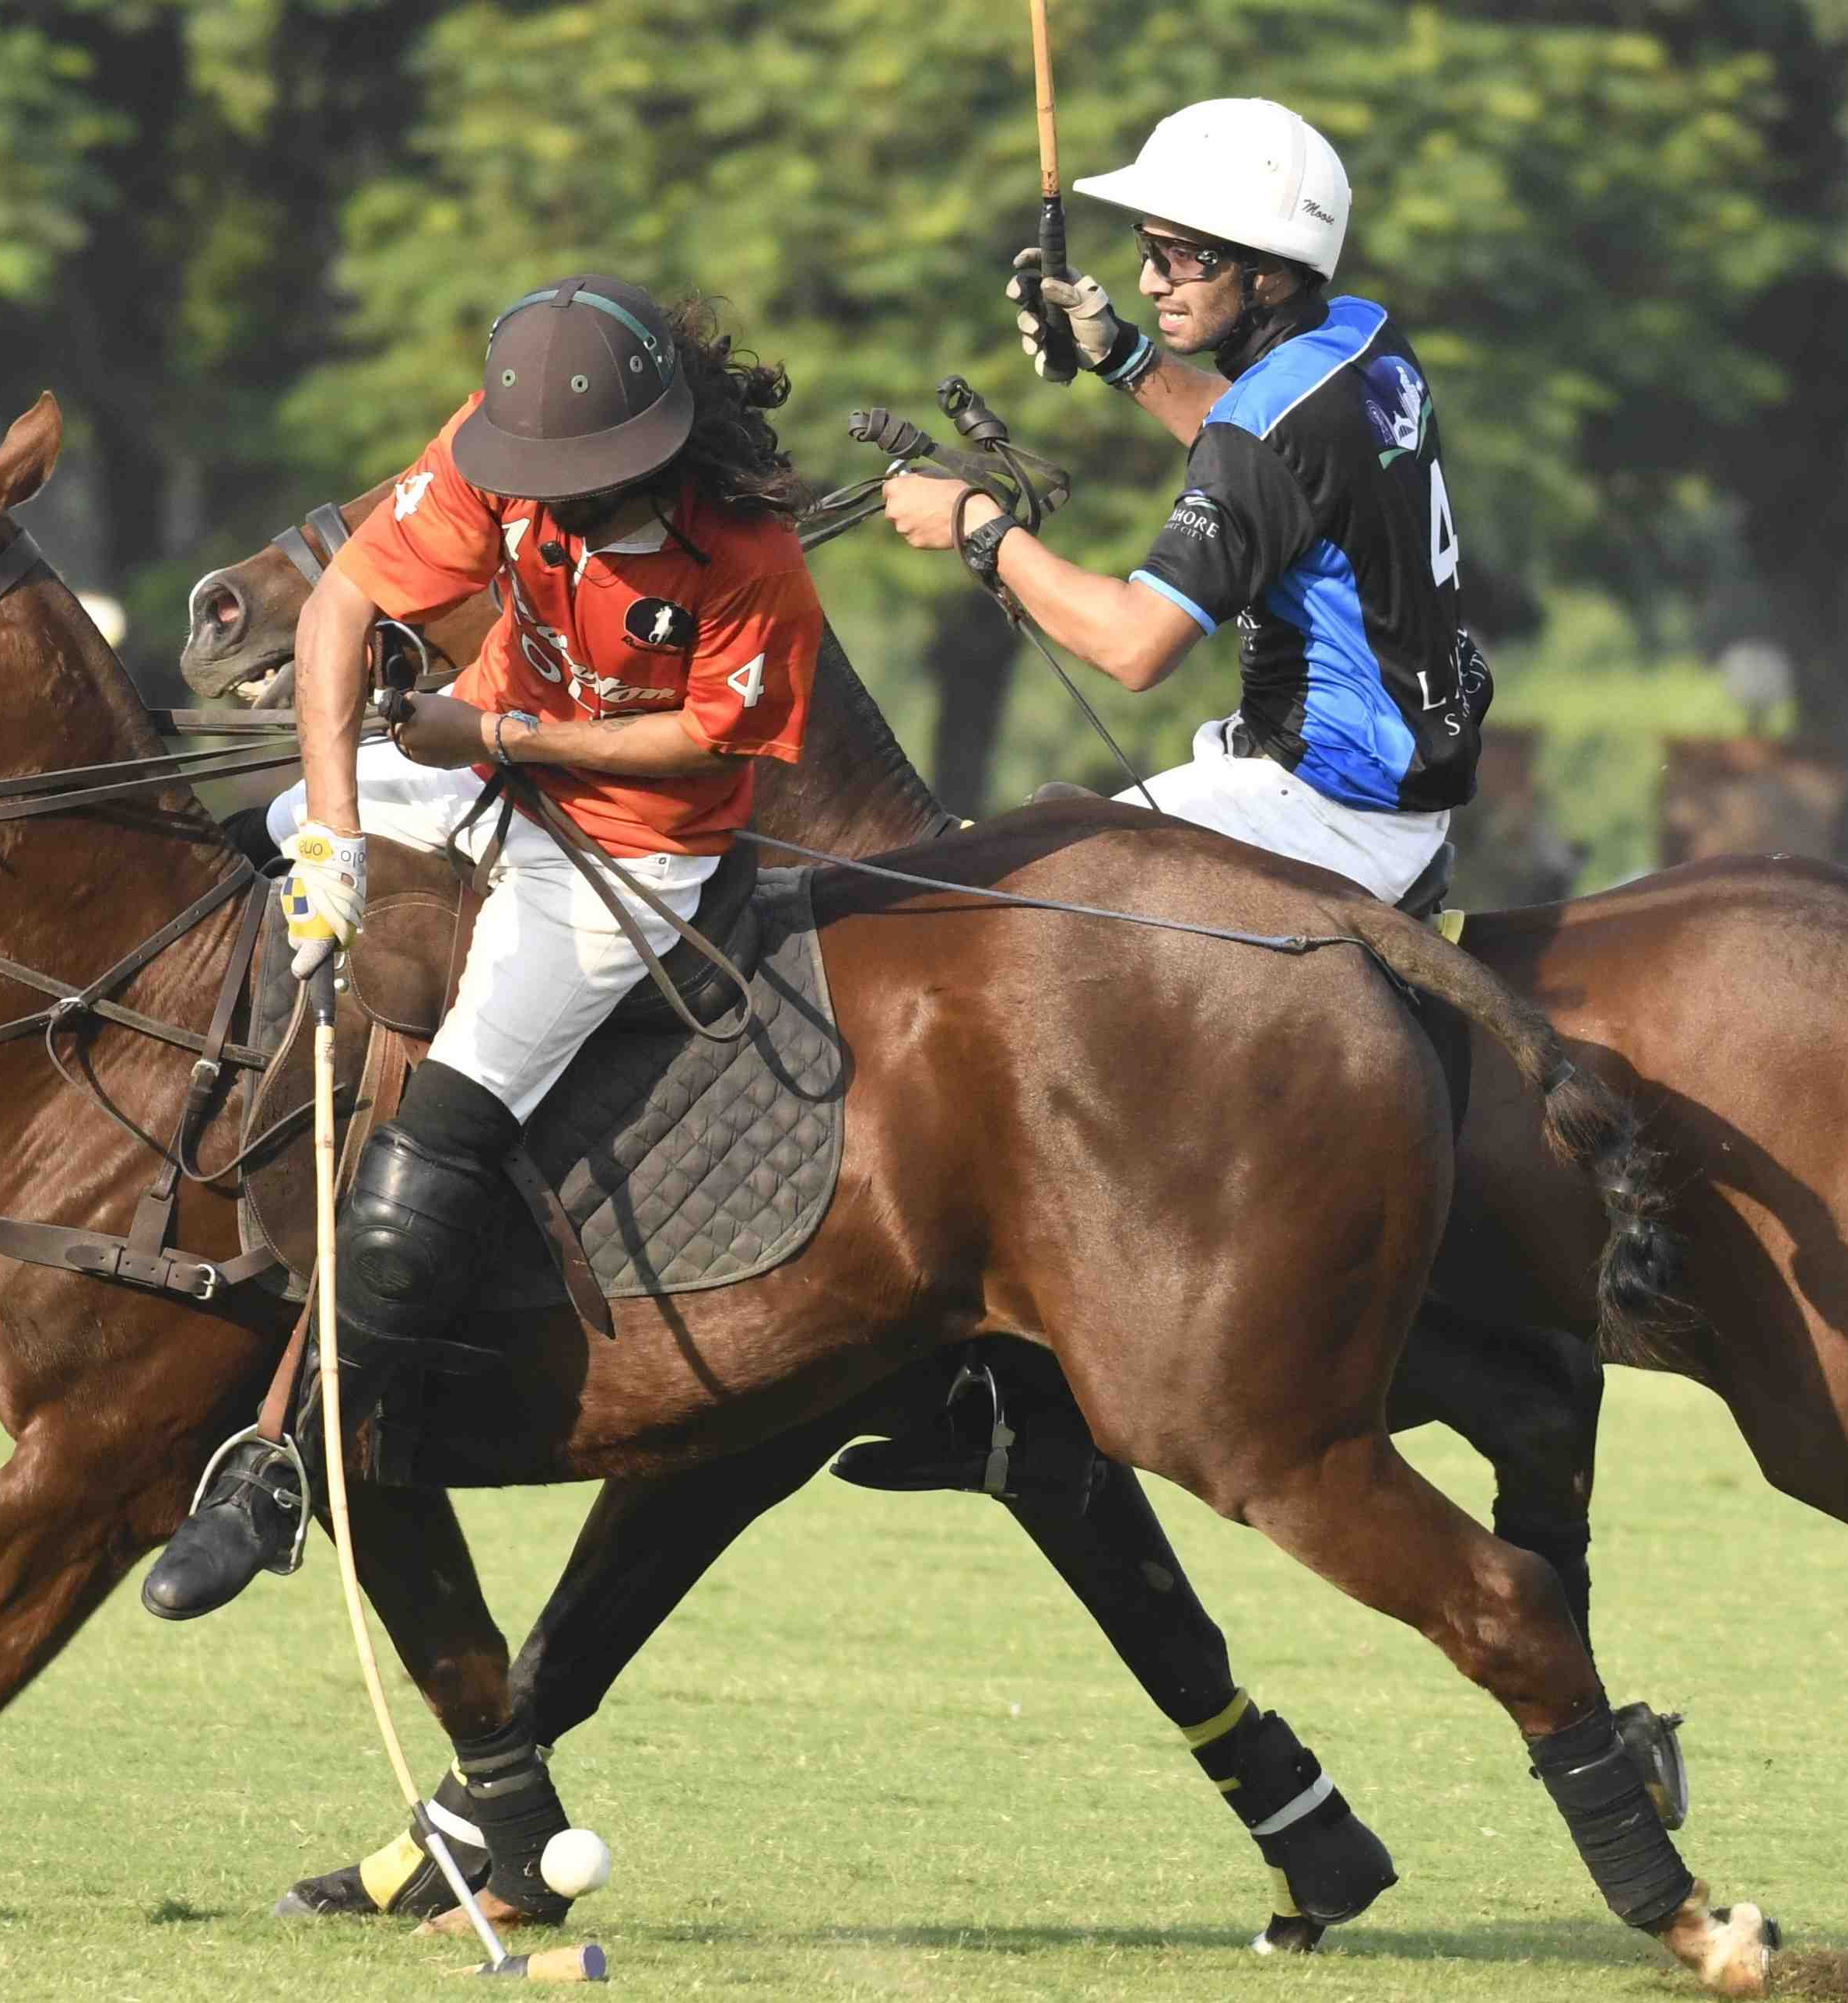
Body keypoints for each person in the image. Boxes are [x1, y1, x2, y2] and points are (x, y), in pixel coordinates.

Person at [145, 275, 822, 1621]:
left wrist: (504, 738)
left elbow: (705, 738)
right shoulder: (490, 455)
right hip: (468, 760)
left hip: (636, 843)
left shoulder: (750, 561)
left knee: (451, 1112)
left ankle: (292, 1463)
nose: (550, 499)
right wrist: (335, 829)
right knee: (250, 849)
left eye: (587, 478)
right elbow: (342, 603)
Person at [881, 96, 1486, 909]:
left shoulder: (1263, 434)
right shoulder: (1360, 337)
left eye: (1180, 258)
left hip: (1327, 809)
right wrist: (1120, 352)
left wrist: (973, 524)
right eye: (1147, 250)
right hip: (1395, 780)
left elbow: (1135, 647)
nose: (1146, 280)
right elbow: (1279, 457)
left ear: (1264, 270)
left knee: (1002, 900)